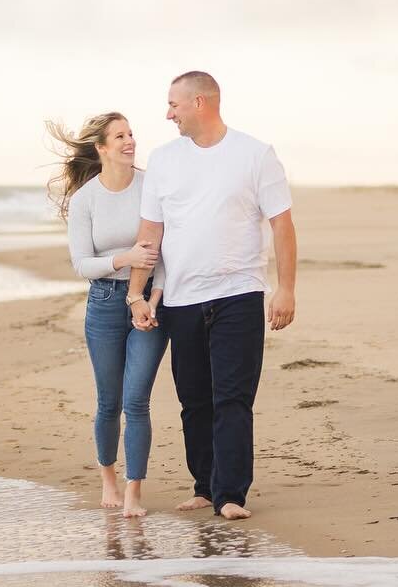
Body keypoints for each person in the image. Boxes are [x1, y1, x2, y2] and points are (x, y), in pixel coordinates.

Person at [127, 72, 296, 521]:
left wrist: (286, 289)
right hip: (181, 298)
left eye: (174, 105)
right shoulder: (164, 161)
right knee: (194, 399)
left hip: (239, 293)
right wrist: (137, 293)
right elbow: (151, 232)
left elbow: (282, 223)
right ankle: (205, 485)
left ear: (199, 102)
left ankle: (231, 494)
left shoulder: (255, 154)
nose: (168, 114)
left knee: (233, 398)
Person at [48, 111, 167, 518]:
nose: (129, 141)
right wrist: (124, 258)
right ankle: (109, 481)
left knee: (137, 400)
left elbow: (165, 250)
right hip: (102, 304)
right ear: (101, 148)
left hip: (149, 303)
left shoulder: (152, 186)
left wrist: (155, 297)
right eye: (119, 136)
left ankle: (135, 490)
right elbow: (81, 264)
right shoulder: (86, 199)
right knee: (108, 402)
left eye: (131, 133)